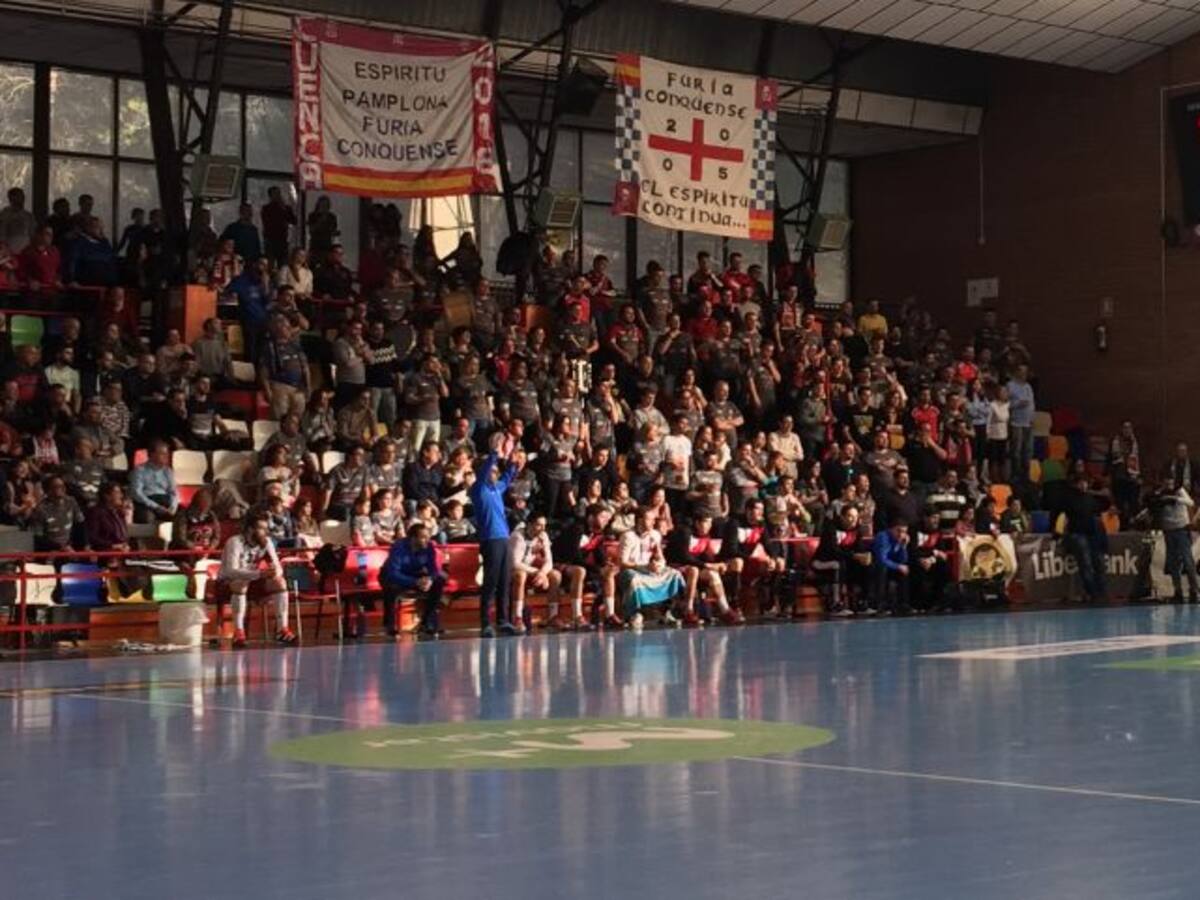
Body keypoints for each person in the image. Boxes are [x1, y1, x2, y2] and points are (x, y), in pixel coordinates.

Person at [217, 513, 294, 648]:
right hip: (227, 583)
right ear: (250, 529)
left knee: (280, 582)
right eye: (261, 528)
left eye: (266, 529)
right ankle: (239, 632)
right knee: (240, 584)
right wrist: (259, 574)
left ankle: (282, 629)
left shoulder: (266, 542)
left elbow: (278, 567)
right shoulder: (235, 542)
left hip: (253, 580)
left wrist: (274, 573)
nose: (265, 532)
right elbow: (230, 571)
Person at [470, 448, 519, 637]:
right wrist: (493, 455)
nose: (495, 473)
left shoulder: (496, 488)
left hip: (504, 538)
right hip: (490, 540)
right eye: (492, 470)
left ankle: (503, 620)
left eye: (496, 471)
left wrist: (513, 464)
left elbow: (507, 478)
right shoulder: (478, 489)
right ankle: (485, 622)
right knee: (490, 581)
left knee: (504, 581)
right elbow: (484, 472)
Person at [617, 505, 686, 631]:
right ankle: (635, 613)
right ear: (639, 520)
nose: (654, 522)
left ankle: (668, 611)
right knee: (634, 580)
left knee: (675, 574)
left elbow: (661, 558)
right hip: (632, 569)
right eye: (650, 519)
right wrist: (642, 566)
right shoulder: (627, 536)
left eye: (654, 519)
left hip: (649, 569)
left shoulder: (655, 534)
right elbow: (622, 562)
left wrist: (659, 564)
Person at [379, 522, 446, 640]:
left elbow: (434, 570)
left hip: (415, 574)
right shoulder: (398, 547)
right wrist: (415, 582)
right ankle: (390, 625)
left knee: (439, 582)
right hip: (394, 575)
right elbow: (393, 573)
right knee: (390, 587)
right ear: (413, 538)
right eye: (423, 537)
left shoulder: (429, 546)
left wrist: (429, 580)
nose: (427, 540)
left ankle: (426, 622)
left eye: (428, 537)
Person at [508, 514, 562, 634]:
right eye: (539, 525)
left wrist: (542, 573)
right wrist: (537, 572)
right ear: (529, 524)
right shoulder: (517, 536)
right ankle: (517, 617)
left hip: (532, 571)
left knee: (555, 575)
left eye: (544, 525)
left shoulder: (543, 535)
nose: (543, 528)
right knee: (521, 575)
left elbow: (549, 561)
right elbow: (515, 563)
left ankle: (552, 616)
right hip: (511, 572)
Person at [1151, 476, 1198, 603]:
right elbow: (1152, 504)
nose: (1168, 485)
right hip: (1168, 530)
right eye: (1166, 483)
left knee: (1187, 560)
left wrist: (1174, 498)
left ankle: (1194, 590)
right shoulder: (1159, 493)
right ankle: (1178, 591)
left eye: (1171, 483)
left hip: (1181, 529)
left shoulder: (1179, 491)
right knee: (1173, 562)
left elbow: (1191, 503)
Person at [129, 440, 179, 523]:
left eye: (167, 453)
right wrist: (156, 507)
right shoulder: (140, 470)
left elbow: (174, 492)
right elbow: (136, 493)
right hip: (147, 502)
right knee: (146, 517)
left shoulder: (168, 471)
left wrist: (173, 507)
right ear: (152, 455)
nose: (166, 456)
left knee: (181, 516)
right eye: (162, 453)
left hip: (165, 501)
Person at [871, 519, 912, 616]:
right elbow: (881, 559)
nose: (901, 534)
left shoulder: (900, 539)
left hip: (891, 567)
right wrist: (898, 566)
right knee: (883, 569)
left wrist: (903, 547)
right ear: (891, 529)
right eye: (898, 531)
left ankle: (903, 604)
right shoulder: (883, 537)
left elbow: (903, 560)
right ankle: (880, 605)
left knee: (905, 570)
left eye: (904, 532)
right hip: (875, 567)